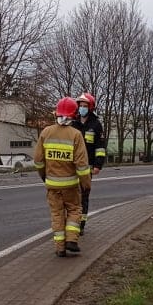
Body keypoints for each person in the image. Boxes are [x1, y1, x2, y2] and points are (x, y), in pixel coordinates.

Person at [34, 97, 92, 257]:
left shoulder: (46, 132)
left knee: (57, 214)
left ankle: (60, 248)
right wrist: (86, 184)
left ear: (56, 113)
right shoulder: (76, 135)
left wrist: (44, 176)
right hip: (71, 186)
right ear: (74, 115)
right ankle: (72, 240)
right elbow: (82, 165)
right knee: (74, 210)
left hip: (52, 185)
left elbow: (38, 161)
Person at [71, 92, 106, 235]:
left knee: (84, 196)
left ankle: (81, 224)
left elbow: (100, 147)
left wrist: (98, 165)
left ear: (90, 107)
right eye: (80, 106)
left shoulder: (96, 124)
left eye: (85, 106)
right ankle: (71, 223)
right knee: (72, 195)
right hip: (72, 165)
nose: (82, 108)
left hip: (88, 166)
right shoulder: (74, 122)